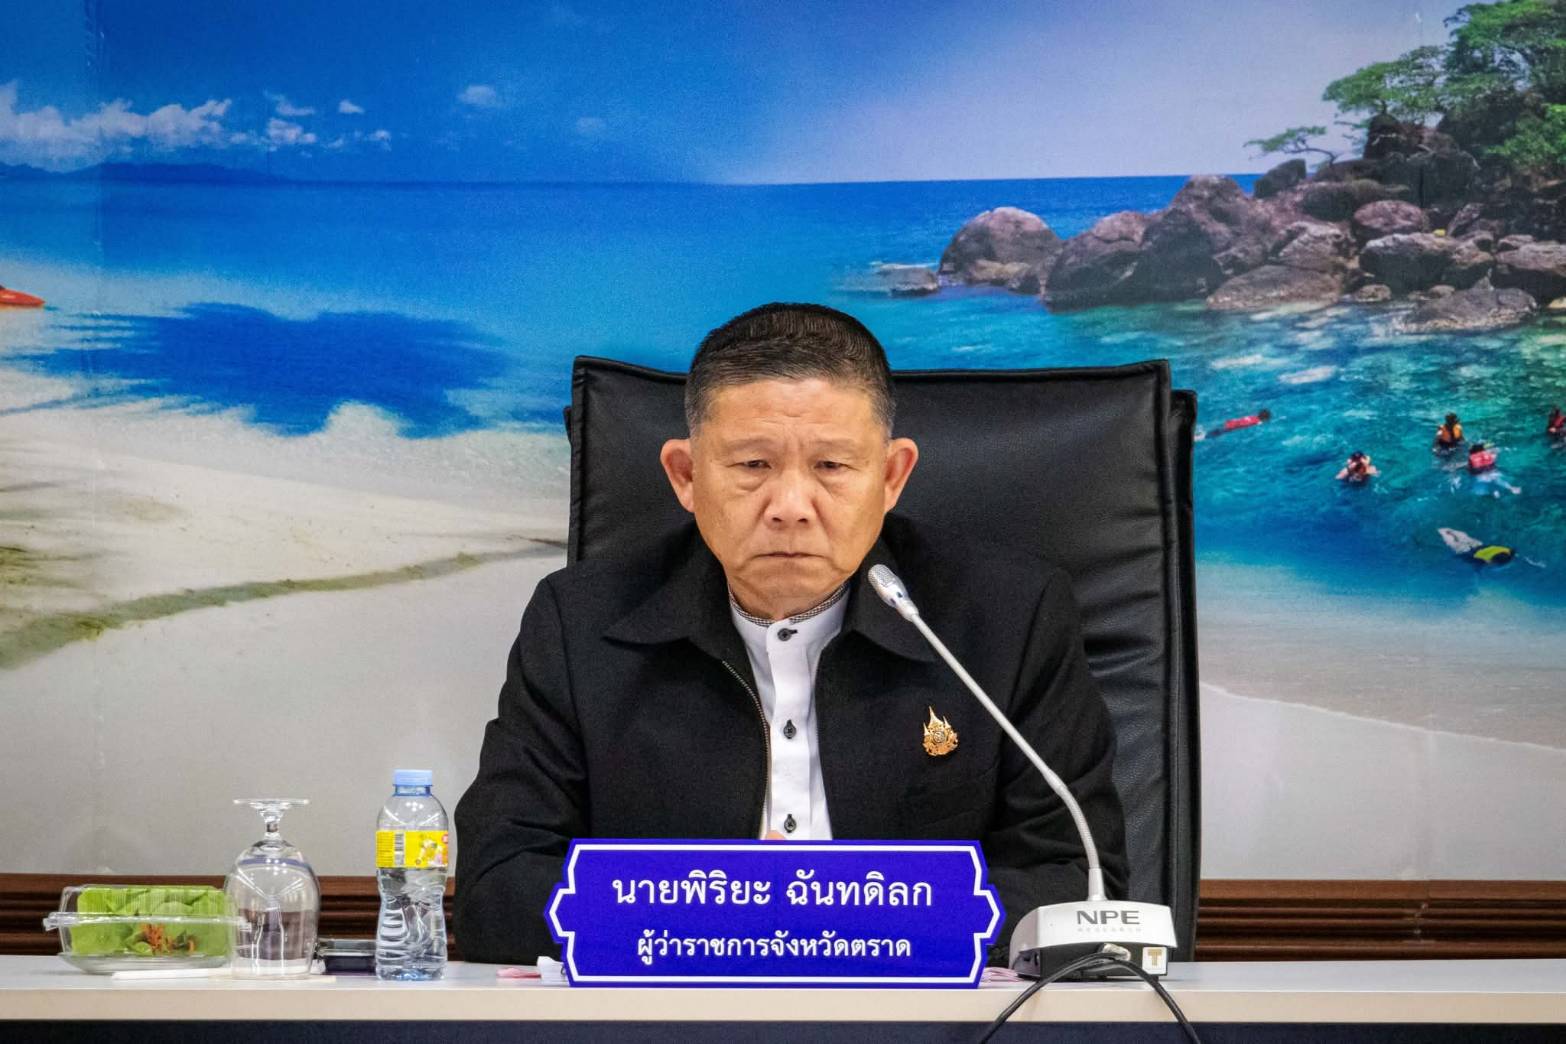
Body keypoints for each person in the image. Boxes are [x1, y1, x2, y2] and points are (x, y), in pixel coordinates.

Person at [453, 302, 1128, 964]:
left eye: (831, 467)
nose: (790, 507)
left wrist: (836, 918)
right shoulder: (581, 624)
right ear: (686, 476)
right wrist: (740, 915)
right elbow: (499, 887)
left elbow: (1079, 880)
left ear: (891, 477)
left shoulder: (1007, 617)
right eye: (753, 466)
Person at [1205, 408, 1271, 439]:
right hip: (1231, 427)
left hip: (1231, 421)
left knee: (1211, 431)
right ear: (1264, 418)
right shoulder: (1257, 422)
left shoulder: (1254, 416)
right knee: (1211, 435)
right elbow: (1245, 424)